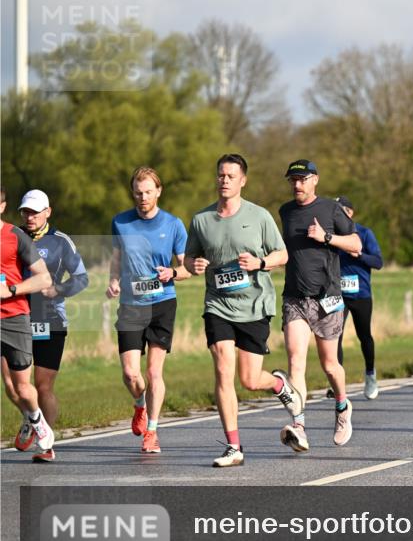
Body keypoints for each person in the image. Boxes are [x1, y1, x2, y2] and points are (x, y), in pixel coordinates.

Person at [184, 154, 298, 467]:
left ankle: (277, 384)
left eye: (231, 176)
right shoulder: (201, 220)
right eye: (221, 175)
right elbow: (187, 258)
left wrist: (260, 263)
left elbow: (283, 254)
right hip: (217, 305)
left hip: (255, 305)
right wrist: (191, 264)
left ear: (242, 180)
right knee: (223, 368)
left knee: (249, 379)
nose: (224, 180)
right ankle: (234, 447)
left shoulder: (259, 216)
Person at [277, 160, 362, 453]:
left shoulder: (330, 210)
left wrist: (326, 237)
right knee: (295, 361)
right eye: (292, 180)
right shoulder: (285, 212)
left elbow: (355, 244)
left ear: (315, 180)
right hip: (295, 298)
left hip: (327, 298)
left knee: (329, 365)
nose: (297, 185)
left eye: (302, 179)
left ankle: (342, 406)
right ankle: (299, 426)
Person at [107, 167, 190, 454]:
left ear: (158, 191)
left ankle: (152, 432)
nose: (143, 197)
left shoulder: (174, 224)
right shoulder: (121, 222)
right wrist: (113, 282)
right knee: (131, 374)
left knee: (154, 372)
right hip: (130, 305)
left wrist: (173, 272)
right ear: (133, 193)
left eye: (148, 192)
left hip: (162, 303)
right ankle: (140, 405)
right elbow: (117, 259)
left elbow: (187, 267)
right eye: (138, 192)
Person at [19, 190, 89, 460]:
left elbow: (82, 278)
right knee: (17, 385)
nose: (30, 217)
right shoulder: (14, 237)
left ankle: (46, 445)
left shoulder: (60, 242)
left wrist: (57, 289)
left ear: (48, 212)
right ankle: (32, 418)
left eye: (35, 212)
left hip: (50, 319)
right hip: (17, 317)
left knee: (43, 385)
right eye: (26, 211)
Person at [1, 189, 55, 461]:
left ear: (2, 206)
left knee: (22, 387)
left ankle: (36, 419)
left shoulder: (15, 236)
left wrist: (11, 290)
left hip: (13, 316)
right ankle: (31, 420)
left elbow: (44, 279)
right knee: (9, 387)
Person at [334, 195, 383, 400]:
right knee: (334, 337)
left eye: (340, 211)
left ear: (350, 213)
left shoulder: (363, 233)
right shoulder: (331, 236)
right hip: (337, 294)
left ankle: (370, 375)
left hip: (361, 293)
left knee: (365, 336)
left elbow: (378, 262)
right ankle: (338, 384)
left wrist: (360, 256)